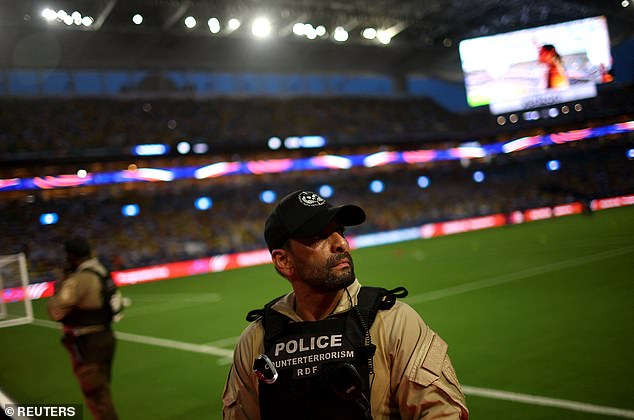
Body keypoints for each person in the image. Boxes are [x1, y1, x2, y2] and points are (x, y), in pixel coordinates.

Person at [222, 190, 468, 419]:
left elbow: (442, 413)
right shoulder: (256, 341)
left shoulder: (394, 322)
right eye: (319, 236)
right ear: (284, 261)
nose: (341, 243)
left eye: (340, 231)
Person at [48, 236, 119, 420]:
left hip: (87, 343)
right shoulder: (103, 272)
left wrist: (60, 285)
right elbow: (117, 310)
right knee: (102, 392)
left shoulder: (79, 279)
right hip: (106, 337)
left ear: (71, 256)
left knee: (97, 398)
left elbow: (56, 311)